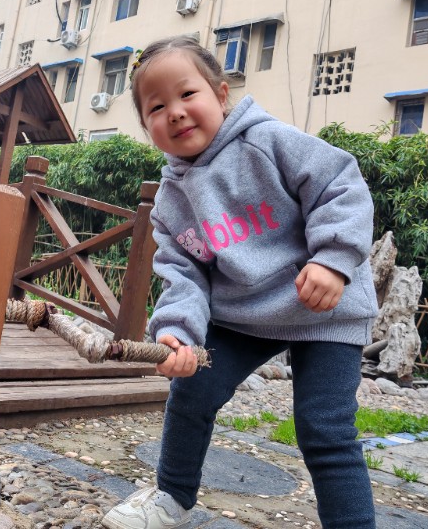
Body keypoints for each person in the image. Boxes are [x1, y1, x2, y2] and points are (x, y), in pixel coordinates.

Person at [101, 37, 379, 529]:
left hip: (324, 303)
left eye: (188, 94)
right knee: (192, 391)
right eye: (157, 107)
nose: (176, 112)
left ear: (221, 94)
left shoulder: (268, 142)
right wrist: (177, 333)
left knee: (324, 427)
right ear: (146, 127)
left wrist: (334, 260)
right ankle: (172, 498)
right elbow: (184, 274)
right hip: (244, 313)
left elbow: (340, 184)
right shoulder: (170, 202)